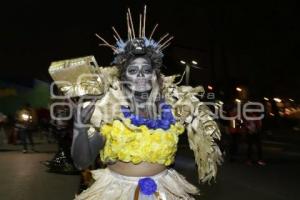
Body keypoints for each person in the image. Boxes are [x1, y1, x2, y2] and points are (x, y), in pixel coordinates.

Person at [50, 6, 222, 199]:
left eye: (146, 69)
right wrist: (80, 127)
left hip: (163, 190)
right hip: (117, 192)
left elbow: (199, 135)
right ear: (124, 77)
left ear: (154, 75)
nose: (141, 75)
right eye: (133, 70)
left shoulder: (174, 108)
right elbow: (82, 162)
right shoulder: (108, 110)